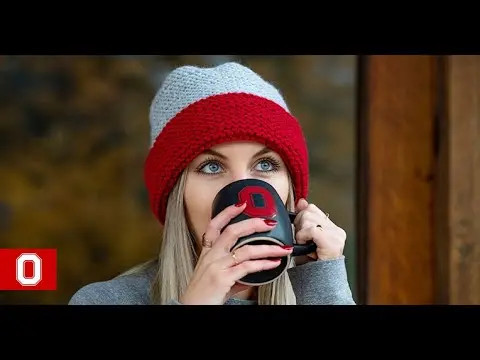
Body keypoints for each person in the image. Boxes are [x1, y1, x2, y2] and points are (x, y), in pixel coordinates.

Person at [68, 61, 356, 305]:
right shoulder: (106, 300)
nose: (243, 191)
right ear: (176, 194)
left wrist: (323, 286)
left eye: (265, 165)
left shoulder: (317, 290)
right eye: (212, 166)